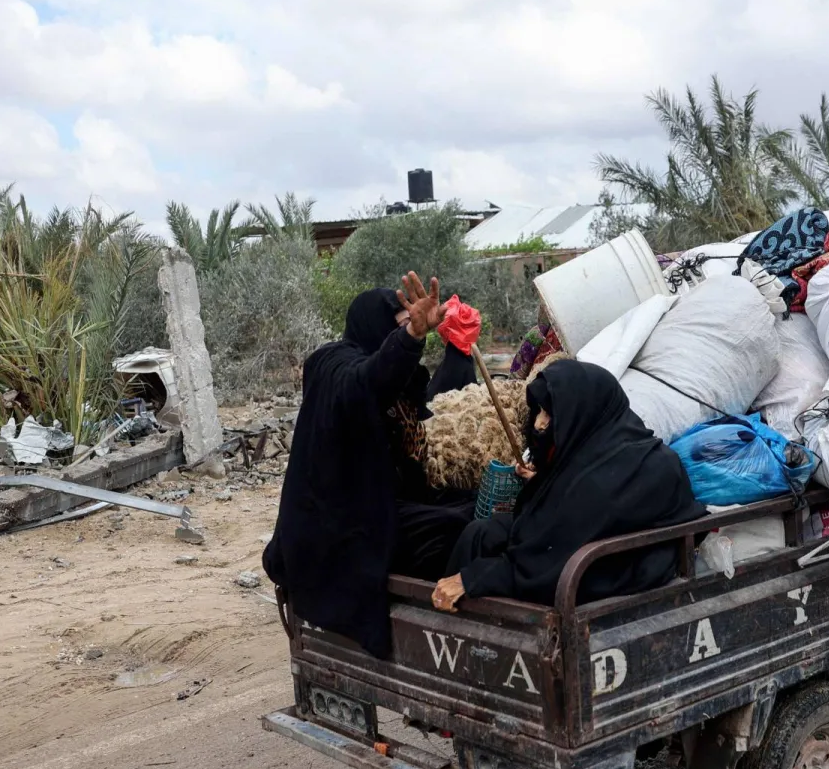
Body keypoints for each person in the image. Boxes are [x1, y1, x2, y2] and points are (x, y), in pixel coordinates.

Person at [263, 275, 478, 657]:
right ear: (373, 326)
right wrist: (410, 338)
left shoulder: (391, 378)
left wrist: (449, 349)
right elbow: (370, 379)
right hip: (339, 524)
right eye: (398, 326)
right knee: (455, 529)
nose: (409, 331)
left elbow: (423, 406)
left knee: (475, 506)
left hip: (379, 499)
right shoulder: (334, 367)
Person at [431, 359, 708, 610]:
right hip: (597, 555)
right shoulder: (622, 453)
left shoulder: (605, 481)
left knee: (481, 540)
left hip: (602, 573)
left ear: (581, 414)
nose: (539, 424)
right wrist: (542, 482)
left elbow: (547, 561)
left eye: (550, 414)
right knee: (483, 532)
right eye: (540, 411)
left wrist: (472, 579)